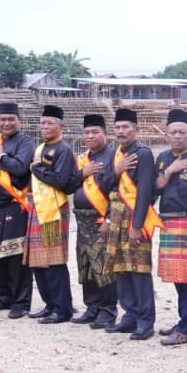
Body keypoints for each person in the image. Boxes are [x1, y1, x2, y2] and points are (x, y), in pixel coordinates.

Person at [100, 109, 161, 340]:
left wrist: (137, 225)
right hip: (116, 216)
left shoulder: (142, 153)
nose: (121, 131)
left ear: (136, 129)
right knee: (121, 267)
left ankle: (145, 321)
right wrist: (117, 170)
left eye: (126, 127)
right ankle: (130, 316)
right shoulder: (116, 154)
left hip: (136, 217)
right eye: (117, 127)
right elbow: (104, 185)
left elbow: (146, 191)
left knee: (139, 268)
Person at [154, 109, 187, 346]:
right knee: (177, 276)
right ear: (166, 135)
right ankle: (184, 321)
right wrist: (171, 170)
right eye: (173, 132)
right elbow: (157, 187)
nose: (177, 136)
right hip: (168, 222)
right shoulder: (163, 157)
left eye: (182, 132)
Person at [24, 105, 78, 323]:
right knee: (38, 260)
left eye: (50, 123)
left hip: (53, 210)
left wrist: (36, 168)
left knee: (54, 261)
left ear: (61, 126)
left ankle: (62, 308)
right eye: (43, 123)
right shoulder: (40, 148)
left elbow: (61, 181)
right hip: (37, 208)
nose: (45, 126)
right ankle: (50, 304)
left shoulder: (63, 150)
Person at [0, 102, 35, 318]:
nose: (6, 123)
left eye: (11, 119)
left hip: (14, 204)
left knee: (15, 255)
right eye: (2, 119)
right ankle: (2, 298)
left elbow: (20, 168)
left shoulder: (25, 141)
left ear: (19, 120)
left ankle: (20, 302)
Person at [70, 114, 117, 328]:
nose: (90, 136)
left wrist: (109, 218)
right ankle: (92, 307)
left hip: (101, 220)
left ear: (105, 134)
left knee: (104, 266)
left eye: (95, 132)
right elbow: (69, 184)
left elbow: (116, 191)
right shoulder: (82, 159)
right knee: (86, 265)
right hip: (81, 220)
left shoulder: (114, 157)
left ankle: (107, 310)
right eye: (87, 132)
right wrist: (83, 173)